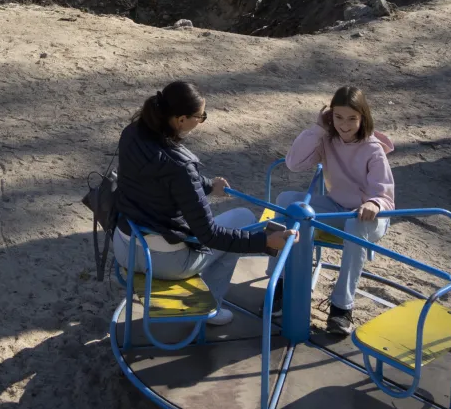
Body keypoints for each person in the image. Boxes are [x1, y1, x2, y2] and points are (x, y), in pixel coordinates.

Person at [113, 81, 296, 325]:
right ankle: (209, 309)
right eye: (200, 117)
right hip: (163, 261)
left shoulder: (133, 133)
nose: (201, 121)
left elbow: (160, 180)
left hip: (125, 246)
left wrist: (208, 185)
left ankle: (206, 302)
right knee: (243, 219)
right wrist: (264, 242)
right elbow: (209, 234)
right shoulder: (180, 166)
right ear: (180, 120)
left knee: (233, 226)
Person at [268, 85, 394, 336]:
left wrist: (373, 204)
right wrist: (317, 129)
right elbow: (294, 164)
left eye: (352, 119)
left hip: (368, 216)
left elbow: (385, 195)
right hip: (337, 208)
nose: (344, 125)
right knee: (286, 201)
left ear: (363, 118)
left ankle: (341, 307)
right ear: (330, 116)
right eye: (338, 117)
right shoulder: (327, 137)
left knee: (354, 225)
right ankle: (279, 282)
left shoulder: (373, 149)